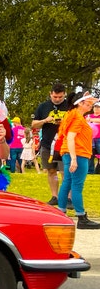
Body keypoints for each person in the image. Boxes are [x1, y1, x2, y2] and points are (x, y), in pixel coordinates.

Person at [56, 93, 100, 228]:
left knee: (67, 183)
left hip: (70, 153)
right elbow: (70, 137)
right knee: (77, 185)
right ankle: (81, 217)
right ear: (79, 103)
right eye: (87, 103)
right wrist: (74, 159)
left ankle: (61, 214)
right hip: (78, 153)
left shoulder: (74, 115)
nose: (90, 106)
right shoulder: (78, 119)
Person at [32, 83, 71, 205]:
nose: (58, 99)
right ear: (50, 94)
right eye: (55, 97)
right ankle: (55, 196)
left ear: (64, 94)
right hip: (48, 144)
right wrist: (45, 120)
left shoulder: (70, 106)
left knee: (66, 172)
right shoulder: (43, 107)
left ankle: (68, 198)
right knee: (51, 171)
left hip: (65, 145)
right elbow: (33, 124)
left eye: (60, 97)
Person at [88, 102, 100, 173]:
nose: (96, 109)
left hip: (99, 138)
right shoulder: (89, 115)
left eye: (98, 107)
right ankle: (90, 171)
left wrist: (91, 120)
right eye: (95, 107)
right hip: (90, 139)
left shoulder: (90, 118)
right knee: (90, 155)